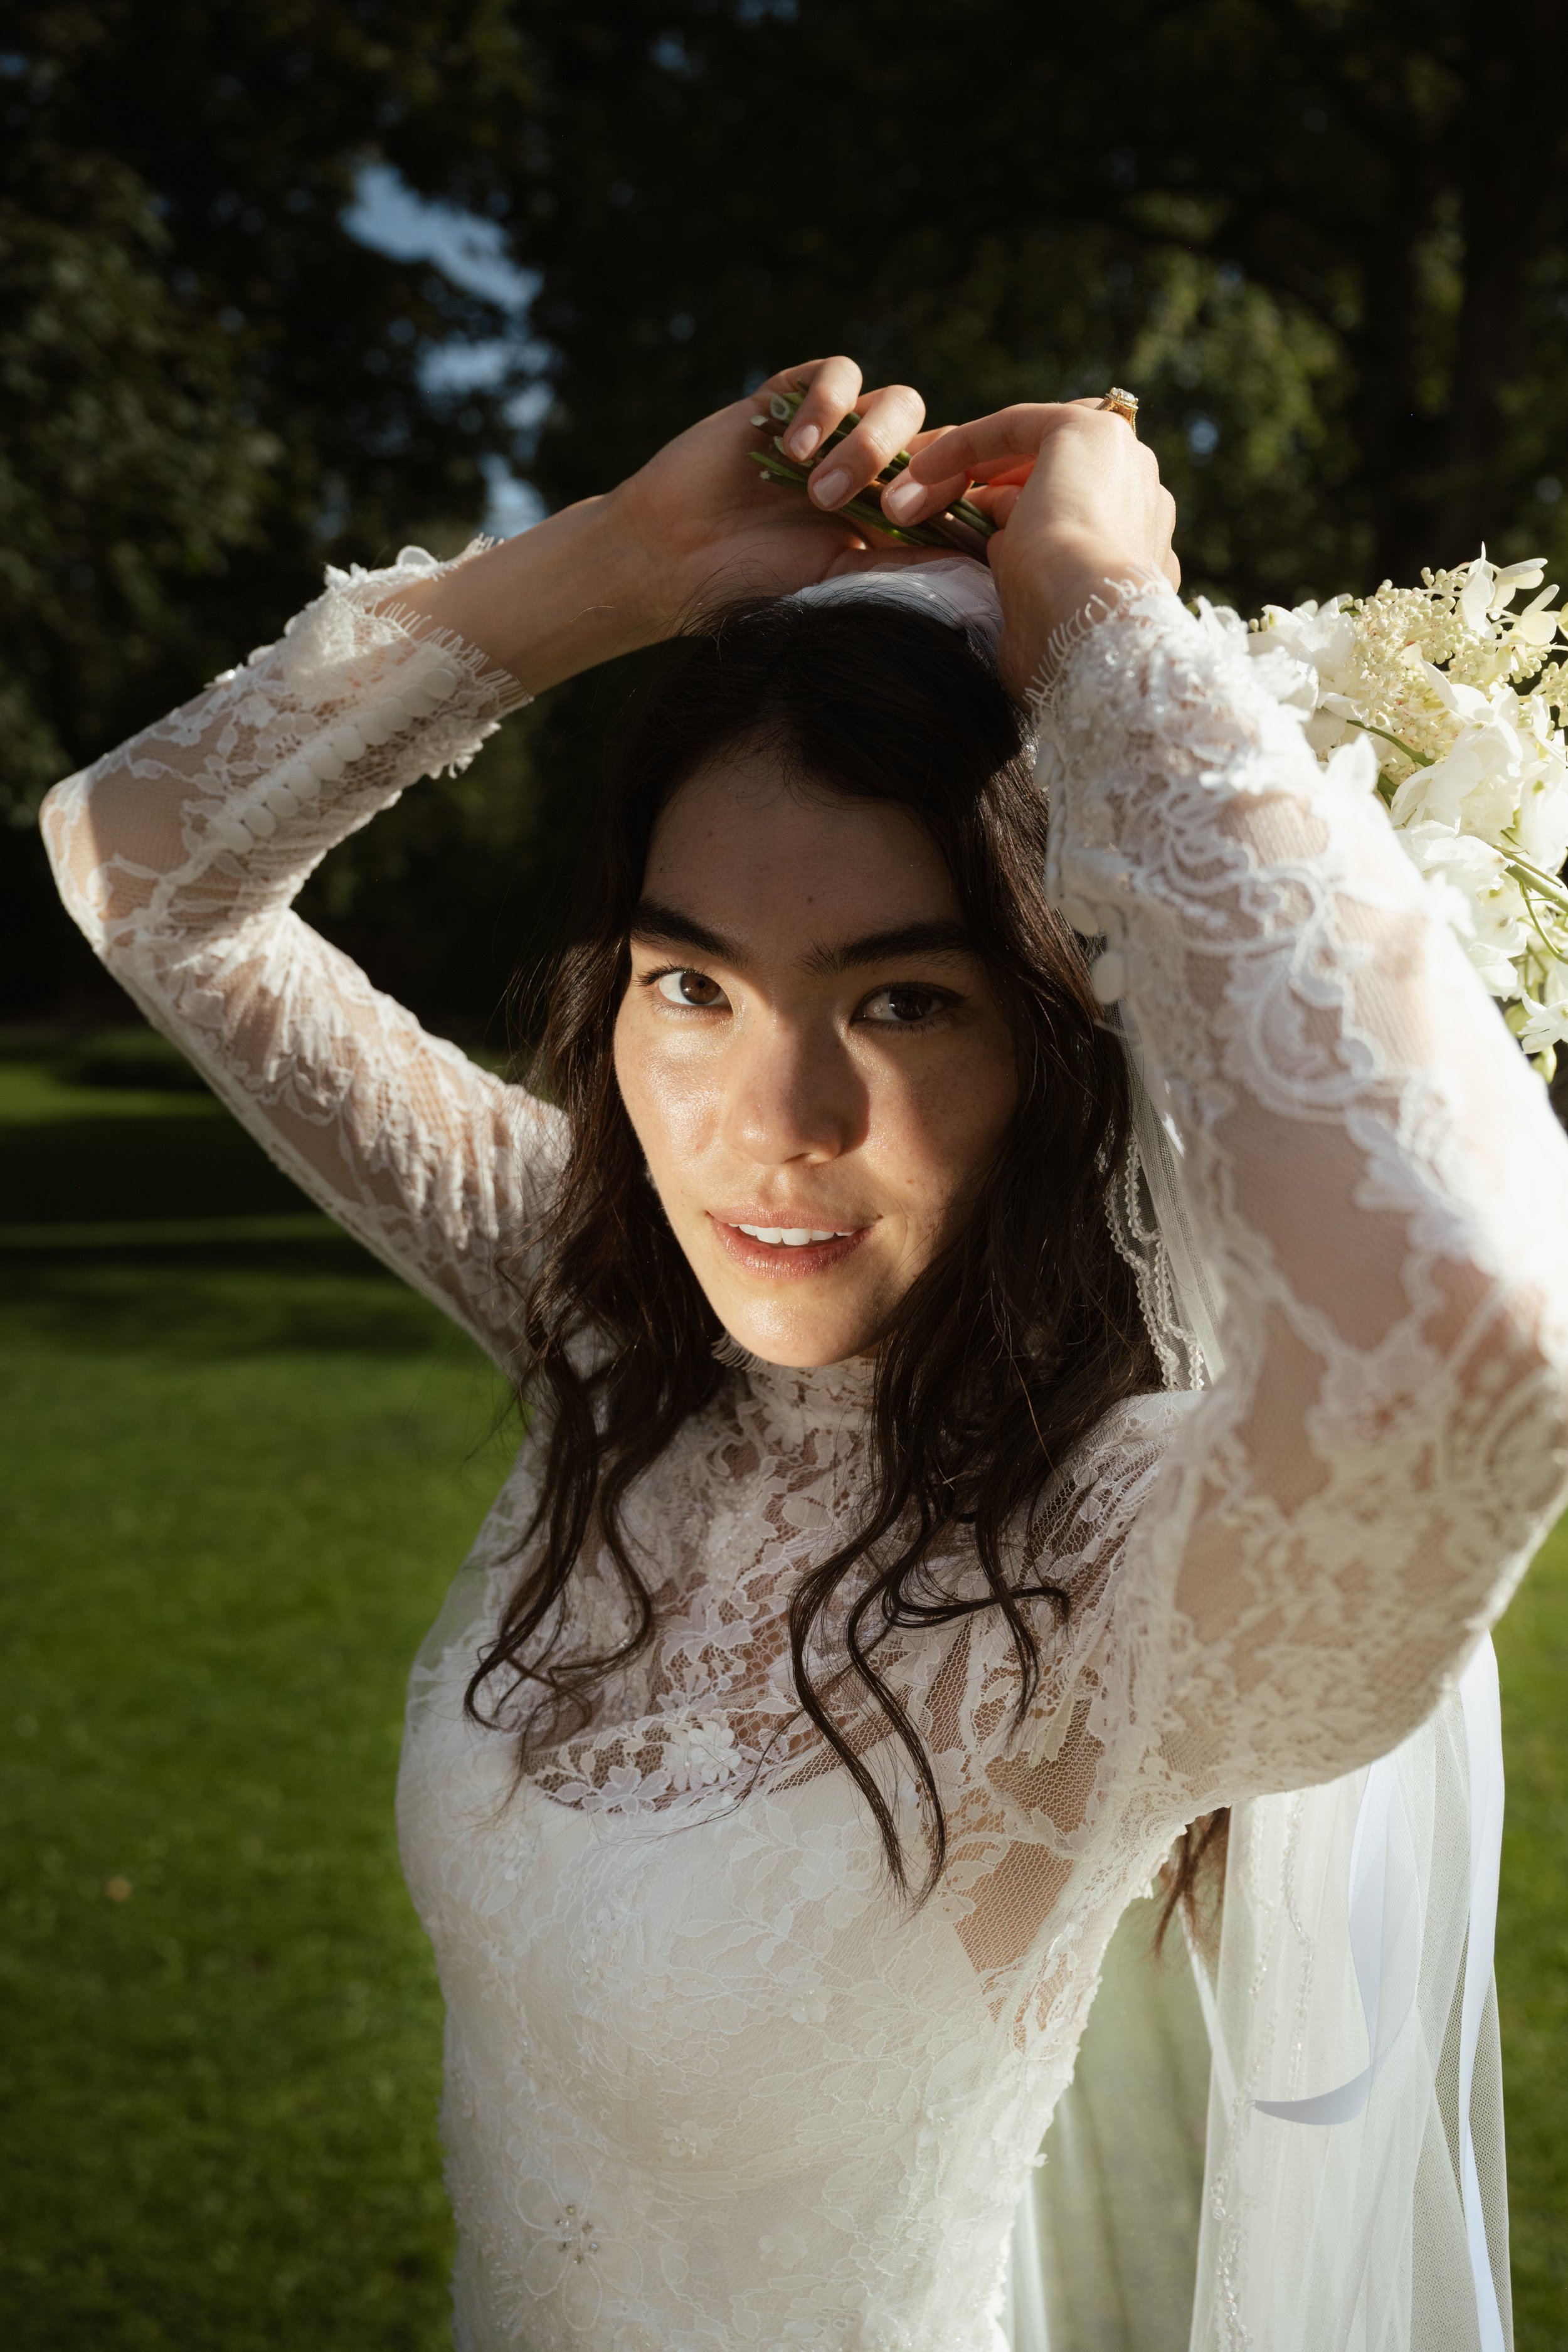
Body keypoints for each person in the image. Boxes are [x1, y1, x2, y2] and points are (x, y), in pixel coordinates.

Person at [41, 357, 1568, 2352]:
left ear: (1064, 1038)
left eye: (905, 1002)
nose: (771, 1125)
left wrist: (1108, 624)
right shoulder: (605, 1314)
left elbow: (1478, 1340)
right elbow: (141, 869)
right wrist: (624, 561)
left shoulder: (1128, 1574)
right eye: (692, 982)